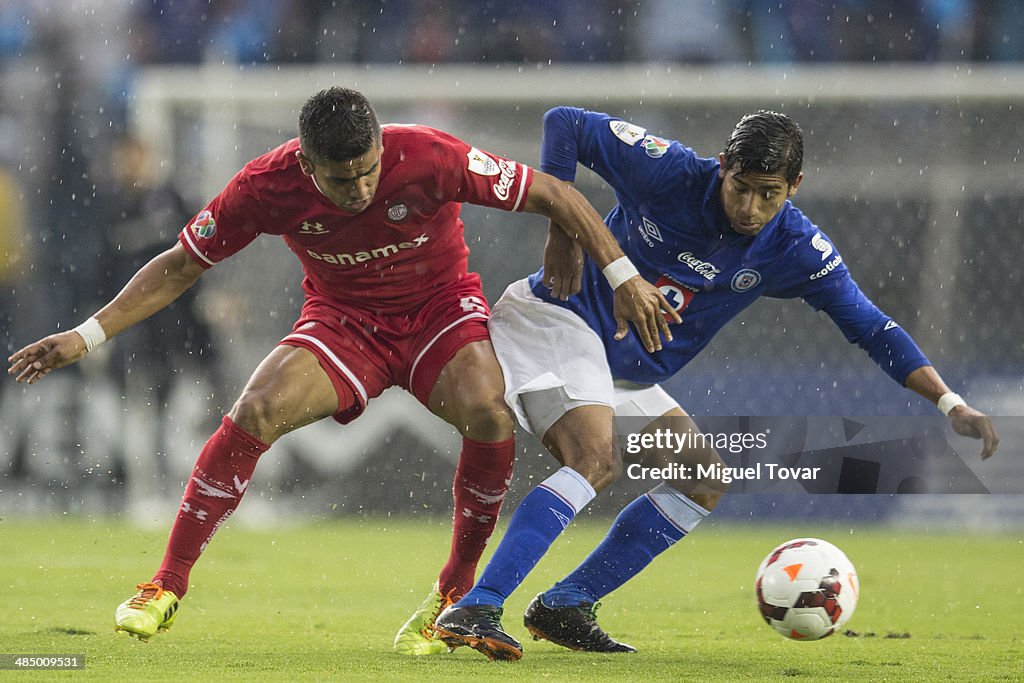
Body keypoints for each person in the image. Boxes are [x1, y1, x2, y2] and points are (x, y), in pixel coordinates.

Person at [6, 89, 674, 651]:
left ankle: (454, 589)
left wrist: (622, 276)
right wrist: (87, 334)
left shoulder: (429, 155)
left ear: (382, 147)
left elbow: (555, 191)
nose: (358, 188)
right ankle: (166, 582)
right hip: (346, 323)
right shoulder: (266, 186)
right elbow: (182, 263)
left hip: (439, 312)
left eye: (368, 170)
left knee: (488, 410)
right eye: (340, 177)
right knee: (255, 408)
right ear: (305, 162)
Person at [434, 106, 1001, 661]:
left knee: (702, 478)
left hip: (617, 370)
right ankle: (479, 605)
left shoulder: (795, 249)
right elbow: (566, 123)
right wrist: (560, 226)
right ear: (722, 164)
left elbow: (872, 327)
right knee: (593, 457)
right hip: (555, 321)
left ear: (795, 186)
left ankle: (567, 603)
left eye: (768, 194)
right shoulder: (670, 171)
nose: (750, 208)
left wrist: (950, 402)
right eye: (740, 188)